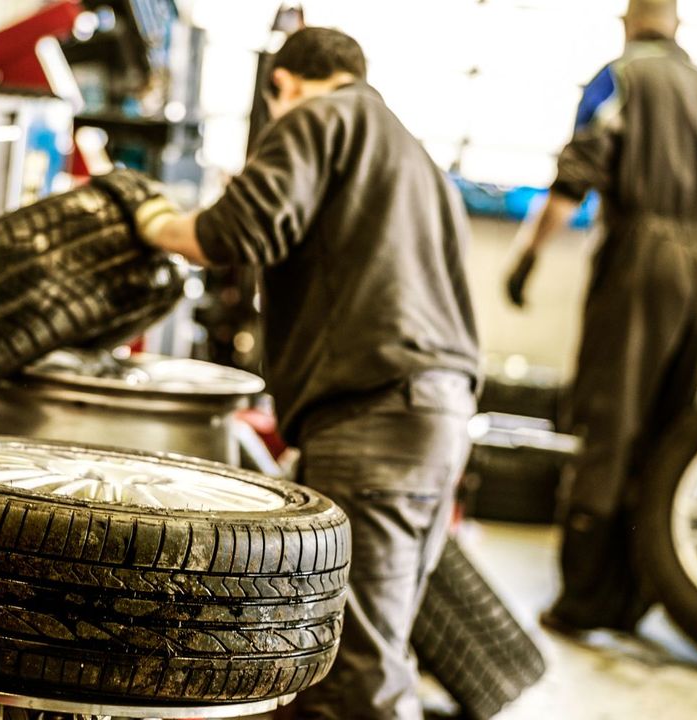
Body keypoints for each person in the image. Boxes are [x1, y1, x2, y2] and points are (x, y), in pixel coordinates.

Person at [123, 27, 481, 720]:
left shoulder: (317, 117)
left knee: (354, 672)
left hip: (375, 417)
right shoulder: (415, 156)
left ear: (282, 86)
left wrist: (156, 222)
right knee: (362, 646)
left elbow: (236, 231)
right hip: (441, 420)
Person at [504, 0, 697, 634]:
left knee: (608, 420)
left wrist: (526, 258)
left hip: (641, 255)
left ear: (628, 22)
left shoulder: (619, 76)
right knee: (670, 430)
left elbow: (574, 178)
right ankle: (637, 597)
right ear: (676, 25)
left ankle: (584, 599)